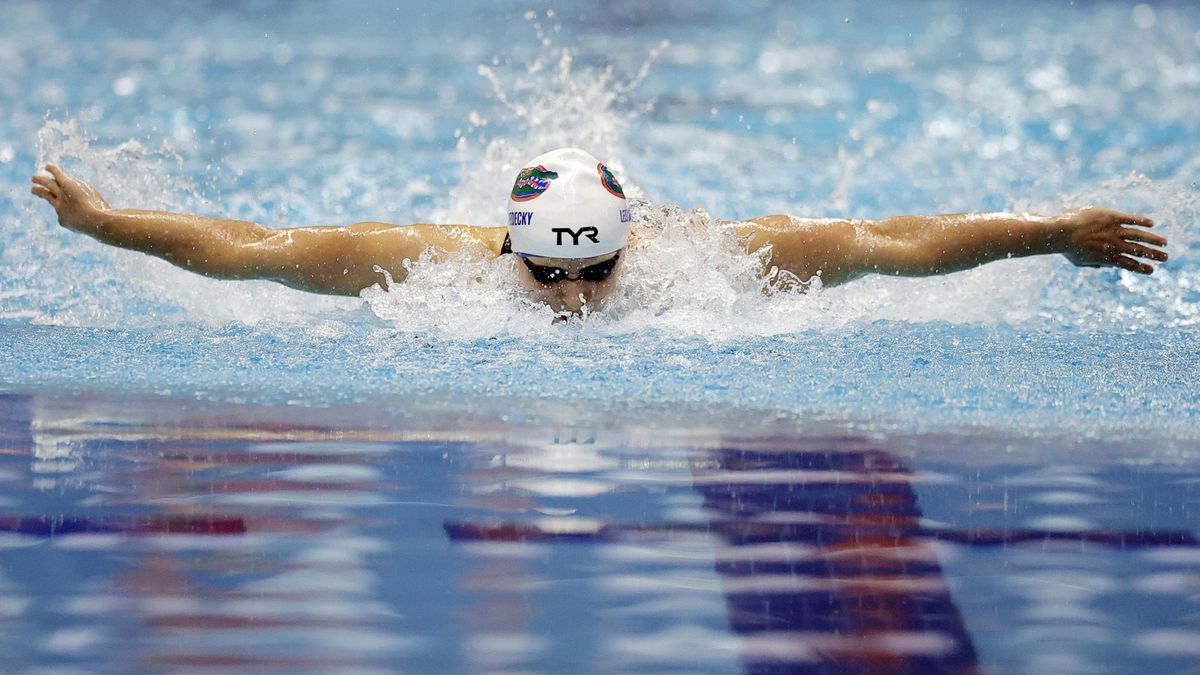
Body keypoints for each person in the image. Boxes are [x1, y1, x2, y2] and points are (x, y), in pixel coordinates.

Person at [30, 147, 1168, 316]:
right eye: (550, 274)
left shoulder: (706, 263)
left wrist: (1053, 235)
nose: (574, 302)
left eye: (596, 271)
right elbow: (246, 245)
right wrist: (98, 222)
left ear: (631, 245)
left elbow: (894, 240)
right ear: (509, 247)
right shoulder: (434, 264)